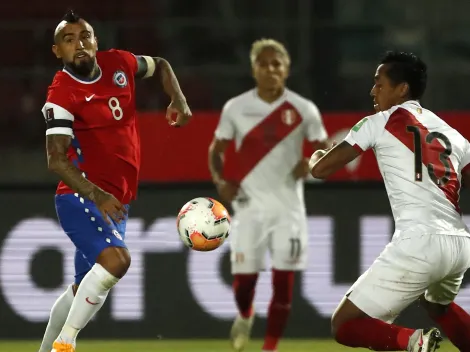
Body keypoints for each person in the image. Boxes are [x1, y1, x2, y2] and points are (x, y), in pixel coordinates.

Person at [38, 10, 192, 352]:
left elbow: (161, 64)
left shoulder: (119, 63)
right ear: (57, 52)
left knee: (84, 288)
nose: (78, 44)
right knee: (117, 261)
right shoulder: (62, 94)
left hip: (118, 199)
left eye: (85, 36)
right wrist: (97, 194)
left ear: (95, 41)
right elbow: (56, 160)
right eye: (68, 40)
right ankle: (66, 344)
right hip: (82, 198)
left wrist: (177, 98)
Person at [309, 50, 470, 352]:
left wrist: (317, 156)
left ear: (402, 89)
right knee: (437, 306)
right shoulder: (454, 136)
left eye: (379, 82)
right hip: (460, 245)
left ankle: (414, 343)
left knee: (344, 324)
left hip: (419, 242)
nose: (373, 90)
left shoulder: (379, 122)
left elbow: (321, 169)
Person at [208, 38, 328, 352]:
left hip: (289, 211)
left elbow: (325, 149)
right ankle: (245, 314)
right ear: (254, 69)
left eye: (277, 64)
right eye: (264, 63)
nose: (271, 69)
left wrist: (312, 162)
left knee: (283, 285)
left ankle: (269, 347)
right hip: (249, 208)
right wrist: (220, 180)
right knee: (244, 283)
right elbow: (216, 150)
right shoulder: (236, 107)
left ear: (286, 69)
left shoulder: (303, 109)